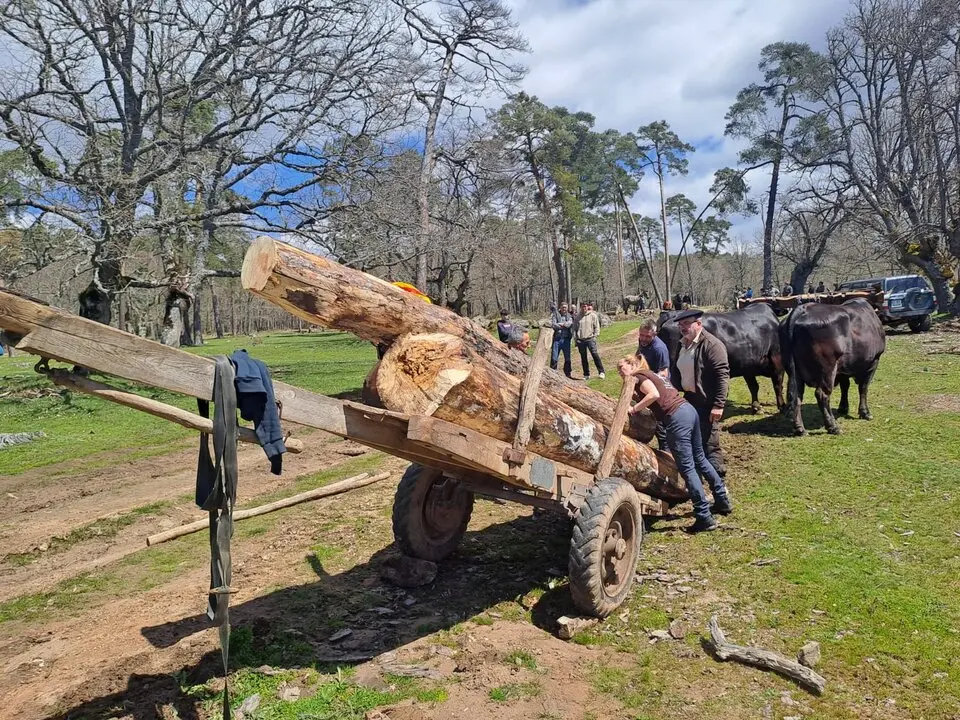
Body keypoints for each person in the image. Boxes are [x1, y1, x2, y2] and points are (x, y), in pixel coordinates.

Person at [619, 354, 731, 532]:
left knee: (687, 468)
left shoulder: (638, 376)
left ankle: (704, 516)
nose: (619, 372)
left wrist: (633, 409)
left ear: (632, 365)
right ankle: (722, 500)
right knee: (700, 458)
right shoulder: (651, 374)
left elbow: (654, 395)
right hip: (688, 410)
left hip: (677, 418)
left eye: (621, 367)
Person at [671, 309, 730, 478]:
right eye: (680, 324)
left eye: (686, 323)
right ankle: (699, 477)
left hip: (707, 401)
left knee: (710, 443)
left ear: (698, 324)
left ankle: (718, 481)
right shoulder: (683, 343)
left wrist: (718, 405)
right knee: (693, 440)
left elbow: (723, 375)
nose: (683, 327)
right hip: (690, 399)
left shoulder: (712, 345)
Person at [575, 301, 605, 380]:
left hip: (590, 338)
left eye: (585, 306)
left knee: (595, 354)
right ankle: (586, 374)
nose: (584, 308)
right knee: (583, 357)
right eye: (582, 306)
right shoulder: (577, 317)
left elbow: (597, 326)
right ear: (580, 307)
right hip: (581, 340)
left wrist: (595, 336)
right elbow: (575, 329)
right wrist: (576, 339)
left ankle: (601, 372)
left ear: (587, 307)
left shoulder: (592, 315)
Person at [549, 301, 573, 377]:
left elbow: (570, 324)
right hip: (557, 339)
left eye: (565, 307)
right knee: (554, 356)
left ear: (567, 308)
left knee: (567, 357)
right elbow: (554, 325)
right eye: (563, 307)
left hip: (566, 340)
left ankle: (568, 373)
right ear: (560, 308)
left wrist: (561, 324)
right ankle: (552, 373)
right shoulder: (555, 314)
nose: (564, 309)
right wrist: (563, 325)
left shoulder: (569, 315)